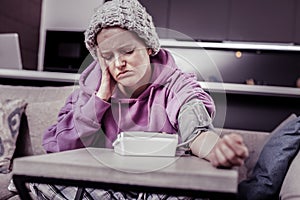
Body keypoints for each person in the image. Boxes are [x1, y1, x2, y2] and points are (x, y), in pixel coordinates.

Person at [31, 0, 248, 199]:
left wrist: (216, 149)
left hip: (154, 187)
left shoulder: (176, 85)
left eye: (127, 51)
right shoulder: (88, 91)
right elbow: (59, 149)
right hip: (104, 186)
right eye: (107, 57)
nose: (118, 63)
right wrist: (100, 99)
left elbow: (197, 130)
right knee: (36, 181)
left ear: (149, 47)